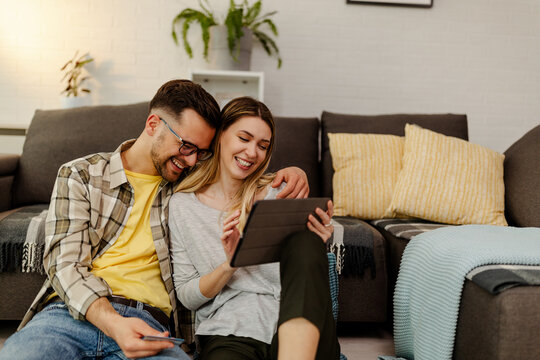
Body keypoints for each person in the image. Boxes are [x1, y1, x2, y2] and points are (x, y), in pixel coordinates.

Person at [0, 80, 309, 360]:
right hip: (71, 315)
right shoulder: (82, 174)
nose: (190, 160)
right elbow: (65, 265)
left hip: (152, 325)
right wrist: (114, 324)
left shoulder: (186, 186)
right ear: (153, 124)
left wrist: (293, 173)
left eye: (200, 152)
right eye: (186, 146)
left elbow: (238, 178)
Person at [169, 96, 341, 360]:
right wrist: (231, 263)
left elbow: (307, 265)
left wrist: (320, 239)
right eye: (244, 138)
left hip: (301, 330)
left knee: (307, 243)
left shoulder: (280, 191)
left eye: (263, 145)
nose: (252, 153)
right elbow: (187, 297)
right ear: (220, 136)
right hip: (231, 333)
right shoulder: (183, 207)